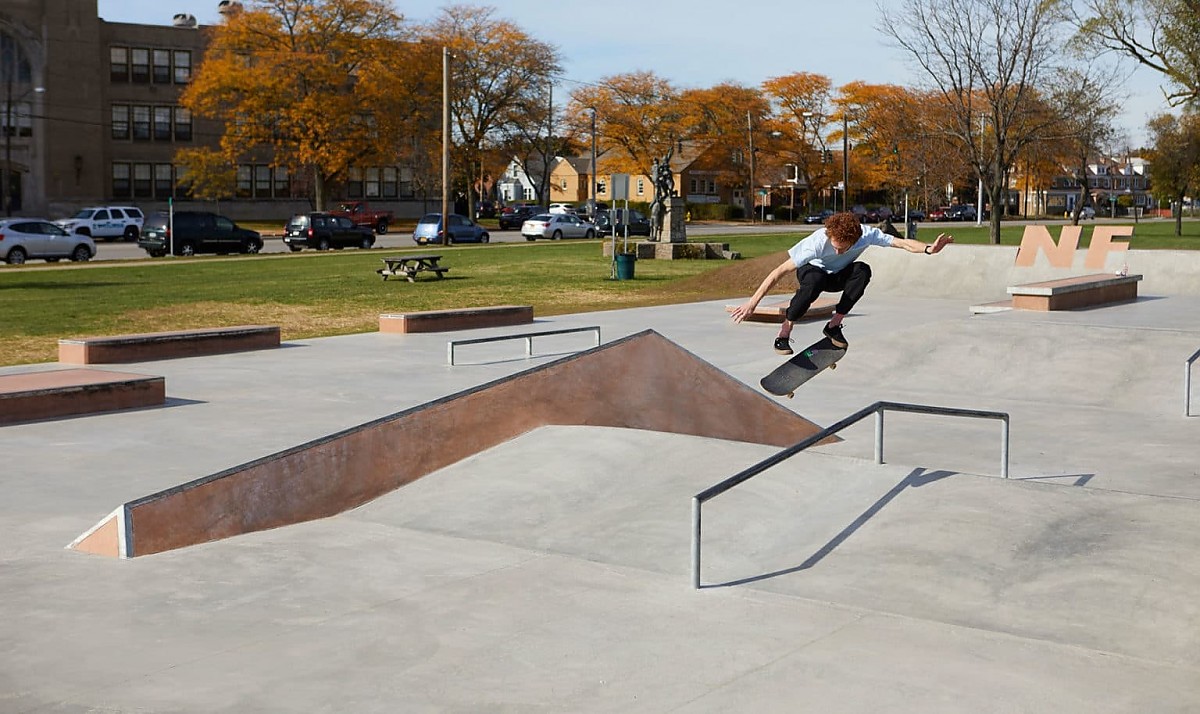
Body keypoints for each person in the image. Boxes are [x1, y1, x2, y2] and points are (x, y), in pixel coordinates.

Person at [730, 211, 953, 354]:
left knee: (862, 270)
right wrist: (753, 303)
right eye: (834, 245)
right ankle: (784, 333)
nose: (837, 250)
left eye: (842, 247)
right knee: (814, 282)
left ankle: (834, 326)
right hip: (812, 272)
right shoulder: (816, 243)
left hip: (838, 275)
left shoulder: (867, 234)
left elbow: (902, 243)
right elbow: (778, 271)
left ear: (855, 239)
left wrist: (928, 249)